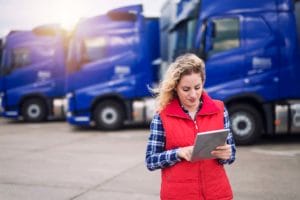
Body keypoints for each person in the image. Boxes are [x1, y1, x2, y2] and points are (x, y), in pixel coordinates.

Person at [145, 53, 236, 200]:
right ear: (175, 88)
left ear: (203, 83)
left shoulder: (219, 109)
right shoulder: (162, 116)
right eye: (186, 89)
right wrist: (178, 153)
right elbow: (151, 161)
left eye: (197, 87)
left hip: (217, 194)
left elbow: (230, 154)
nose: (193, 94)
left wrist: (227, 154)